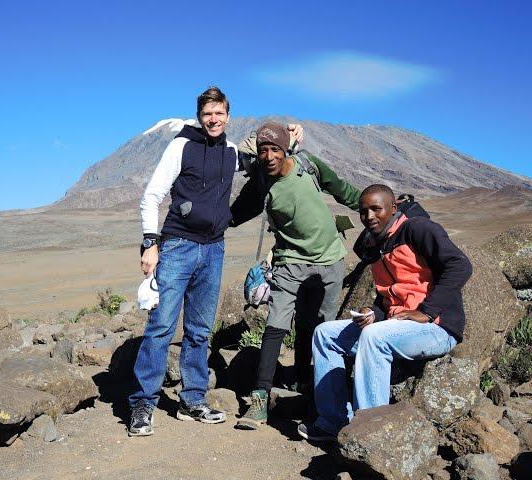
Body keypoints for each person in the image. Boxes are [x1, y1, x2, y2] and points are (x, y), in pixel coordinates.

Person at [128, 87, 303, 437]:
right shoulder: (181, 145)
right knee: (161, 325)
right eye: (208, 113)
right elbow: (152, 195)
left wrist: (292, 139)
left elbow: (269, 161)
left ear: (228, 116)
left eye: (219, 113)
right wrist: (150, 243)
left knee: (199, 330)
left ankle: (192, 400)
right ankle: (142, 404)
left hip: (213, 250)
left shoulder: (231, 152)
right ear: (199, 115)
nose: (213, 119)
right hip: (177, 246)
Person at [298, 184, 472, 442]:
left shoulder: (417, 229)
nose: (369, 216)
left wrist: (426, 311)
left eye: (376, 209)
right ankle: (333, 421)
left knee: (374, 337)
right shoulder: (377, 244)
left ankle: (370, 431)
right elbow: (389, 296)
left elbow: (460, 265)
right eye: (363, 211)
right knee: (325, 334)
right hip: (397, 327)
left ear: (393, 208)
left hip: (437, 328)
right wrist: (375, 313)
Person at [230, 122, 361, 430]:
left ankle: (309, 388)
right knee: (276, 324)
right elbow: (233, 215)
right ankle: (260, 397)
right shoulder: (260, 182)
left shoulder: (308, 164)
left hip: (330, 260)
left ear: (286, 149)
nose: (269, 156)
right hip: (289, 262)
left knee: (316, 327)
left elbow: (343, 191)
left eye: (275, 149)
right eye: (263, 151)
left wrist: (386, 210)